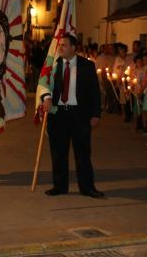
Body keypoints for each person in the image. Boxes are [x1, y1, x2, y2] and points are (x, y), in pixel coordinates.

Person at [40, 33, 103, 198]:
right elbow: (43, 84)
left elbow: (95, 92)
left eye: (64, 45)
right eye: (60, 45)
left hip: (80, 116)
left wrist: (96, 114)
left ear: (74, 48)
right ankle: (59, 186)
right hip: (58, 115)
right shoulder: (53, 65)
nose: (60, 48)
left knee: (82, 154)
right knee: (58, 153)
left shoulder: (87, 66)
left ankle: (87, 187)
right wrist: (46, 98)